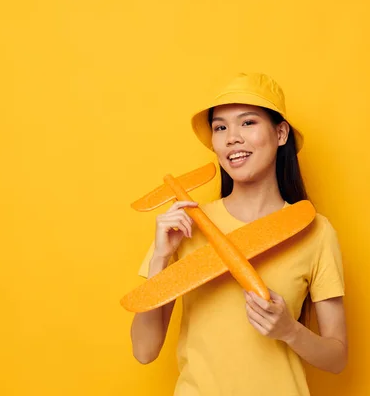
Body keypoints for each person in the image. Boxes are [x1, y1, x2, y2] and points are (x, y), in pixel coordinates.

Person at [130, 73, 347, 395]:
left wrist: (289, 330)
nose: (232, 137)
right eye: (220, 127)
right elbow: (144, 351)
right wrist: (161, 257)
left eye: (247, 123)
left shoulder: (314, 231)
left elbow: (337, 357)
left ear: (281, 133)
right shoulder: (186, 226)